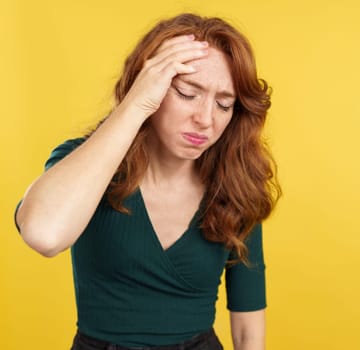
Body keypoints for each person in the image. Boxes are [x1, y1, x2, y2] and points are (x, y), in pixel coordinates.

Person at [14, 13, 280, 350]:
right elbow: (43, 234)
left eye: (224, 104)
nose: (205, 119)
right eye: (187, 93)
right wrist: (136, 104)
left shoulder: (235, 186)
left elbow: (248, 332)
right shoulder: (85, 162)